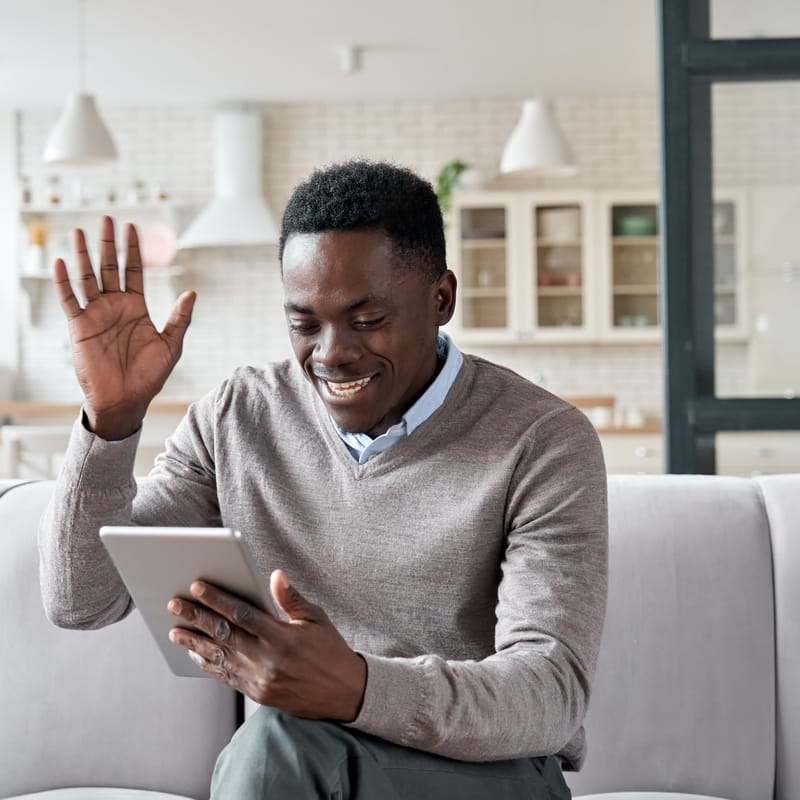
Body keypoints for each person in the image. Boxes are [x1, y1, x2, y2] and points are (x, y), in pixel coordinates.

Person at [39, 160, 608, 800]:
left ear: (441, 299)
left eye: (366, 321)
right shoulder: (237, 417)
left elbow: (550, 691)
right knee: (280, 746)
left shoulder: (543, 439)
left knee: (276, 746)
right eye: (305, 323)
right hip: (298, 767)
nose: (331, 352)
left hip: (489, 774)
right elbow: (80, 600)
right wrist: (111, 423)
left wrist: (358, 688)